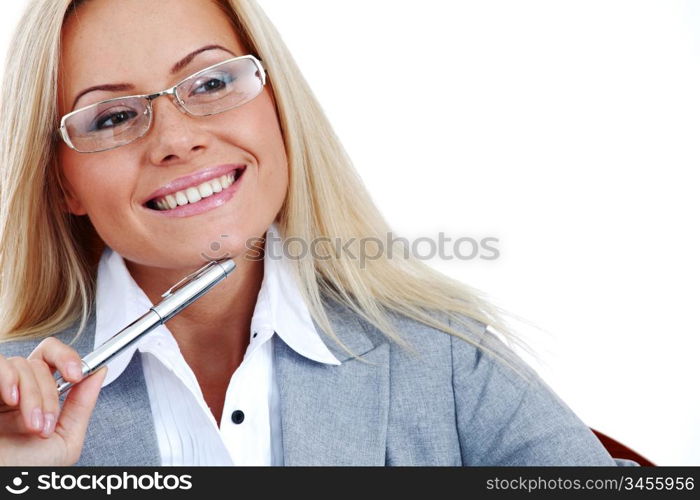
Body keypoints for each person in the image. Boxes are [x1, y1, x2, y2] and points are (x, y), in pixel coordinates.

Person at [0, 0, 639, 466]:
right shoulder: (9, 399)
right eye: (112, 116)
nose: (177, 138)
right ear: (62, 184)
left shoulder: (442, 354)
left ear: (278, 108)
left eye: (213, 82)